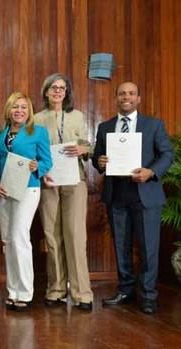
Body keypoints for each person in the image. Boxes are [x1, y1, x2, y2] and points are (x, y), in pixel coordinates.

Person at [93, 81, 173, 314]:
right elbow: (98, 157)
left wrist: (151, 172)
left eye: (131, 93)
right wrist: (99, 161)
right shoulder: (105, 127)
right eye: (121, 94)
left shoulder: (154, 125)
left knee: (148, 247)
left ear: (138, 98)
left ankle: (148, 295)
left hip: (145, 194)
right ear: (116, 98)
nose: (125, 97)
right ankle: (126, 290)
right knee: (121, 245)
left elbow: (167, 154)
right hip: (117, 194)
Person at [34, 73, 94, 311]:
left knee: (75, 235)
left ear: (66, 92)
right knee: (51, 236)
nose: (58, 91)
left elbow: (89, 146)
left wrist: (83, 148)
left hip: (74, 180)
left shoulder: (77, 115)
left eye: (62, 88)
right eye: (53, 88)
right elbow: (33, 149)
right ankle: (56, 290)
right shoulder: (37, 119)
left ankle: (82, 294)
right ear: (46, 92)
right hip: (48, 181)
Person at [0, 92, 52, 311]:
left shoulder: (38, 132)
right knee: (8, 240)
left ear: (29, 112)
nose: (19, 111)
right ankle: (13, 291)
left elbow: (47, 161)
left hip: (28, 189)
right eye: (15, 107)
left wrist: (39, 167)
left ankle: (25, 292)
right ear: (8, 110)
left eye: (24, 107)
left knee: (20, 237)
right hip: (3, 190)